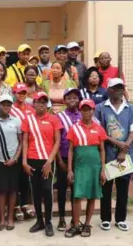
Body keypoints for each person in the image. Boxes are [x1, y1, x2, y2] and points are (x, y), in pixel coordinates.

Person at [95, 78, 133, 232]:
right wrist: (118, 143)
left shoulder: (131, 109)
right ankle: (105, 218)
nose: (119, 90)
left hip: (125, 155)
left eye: (121, 87)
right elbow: (98, 131)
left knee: (123, 188)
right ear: (109, 90)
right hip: (107, 153)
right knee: (106, 188)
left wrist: (123, 148)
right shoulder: (100, 108)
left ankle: (121, 219)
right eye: (115, 88)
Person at [21, 92, 62, 237]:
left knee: (47, 190)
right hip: (32, 160)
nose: (41, 104)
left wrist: (50, 161)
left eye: (44, 102)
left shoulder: (53, 119)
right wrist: (24, 161)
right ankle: (39, 221)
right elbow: (25, 141)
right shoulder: (27, 120)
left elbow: (57, 141)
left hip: (47, 161)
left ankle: (48, 222)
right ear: (34, 104)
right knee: (36, 192)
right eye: (39, 102)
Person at [65, 99, 108, 238]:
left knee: (92, 196)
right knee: (77, 196)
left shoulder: (99, 128)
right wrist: (70, 169)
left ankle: (86, 224)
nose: (86, 111)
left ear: (93, 110)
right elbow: (71, 150)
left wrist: (102, 170)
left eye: (89, 109)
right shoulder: (74, 128)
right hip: (79, 167)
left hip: (95, 167)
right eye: (84, 109)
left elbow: (102, 150)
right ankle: (76, 225)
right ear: (80, 111)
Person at [0, 94, 22, 231]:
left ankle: (10, 218)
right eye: (4, 104)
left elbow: (21, 143)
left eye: (9, 104)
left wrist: (15, 158)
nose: (6, 107)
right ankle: (2, 219)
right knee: (1, 191)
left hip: (14, 162)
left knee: (13, 190)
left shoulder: (16, 121)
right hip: (0, 162)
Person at [56, 88, 82, 231]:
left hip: (78, 159)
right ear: (64, 100)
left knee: (75, 189)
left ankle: (74, 218)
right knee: (61, 188)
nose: (72, 100)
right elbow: (57, 141)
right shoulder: (60, 117)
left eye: (75, 97)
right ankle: (61, 218)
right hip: (63, 158)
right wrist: (60, 161)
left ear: (79, 99)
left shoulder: (82, 115)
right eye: (69, 98)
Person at [9, 83, 36, 221]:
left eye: (24, 93)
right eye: (19, 93)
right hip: (15, 148)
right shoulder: (10, 109)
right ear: (14, 93)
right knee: (15, 177)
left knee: (26, 177)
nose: (21, 95)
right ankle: (16, 206)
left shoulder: (31, 109)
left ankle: (25, 203)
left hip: (29, 147)